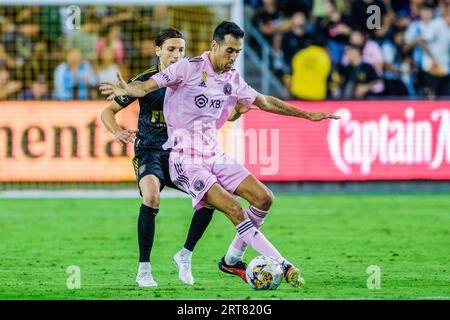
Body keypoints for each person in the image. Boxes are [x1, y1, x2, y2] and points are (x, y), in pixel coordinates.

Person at [100, 21, 340, 288]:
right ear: (214, 45)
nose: (233, 57)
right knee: (228, 208)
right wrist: (127, 89)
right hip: (180, 156)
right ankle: (283, 265)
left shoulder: (232, 78)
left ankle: (229, 258)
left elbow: (263, 101)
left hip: (212, 153)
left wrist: (307, 115)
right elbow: (143, 88)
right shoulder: (187, 68)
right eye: (229, 51)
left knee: (264, 198)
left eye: (237, 52)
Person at [101, 28, 231, 287]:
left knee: (212, 196)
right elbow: (107, 111)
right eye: (171, 49)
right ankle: (144, 270)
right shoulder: (146, 81)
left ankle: (185, 255)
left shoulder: (194, 77)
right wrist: (117, 131)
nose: (176, 55)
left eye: (181, 50)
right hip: (149, 151)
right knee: (151, 195)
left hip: (182, 153)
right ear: (157, 50)